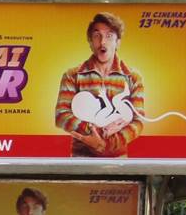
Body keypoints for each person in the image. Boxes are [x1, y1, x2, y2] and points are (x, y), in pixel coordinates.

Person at [54, 11, 145, 157]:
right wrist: (91, 130)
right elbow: (61, 116)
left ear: (118, 42)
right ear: (90, 42)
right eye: (97, 36)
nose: (102, 42)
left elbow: (138, 121)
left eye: (109, 36)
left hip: (119, 161)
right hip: (80, 159)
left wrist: (106, 144)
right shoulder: (72, 75)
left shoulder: (133, 77)